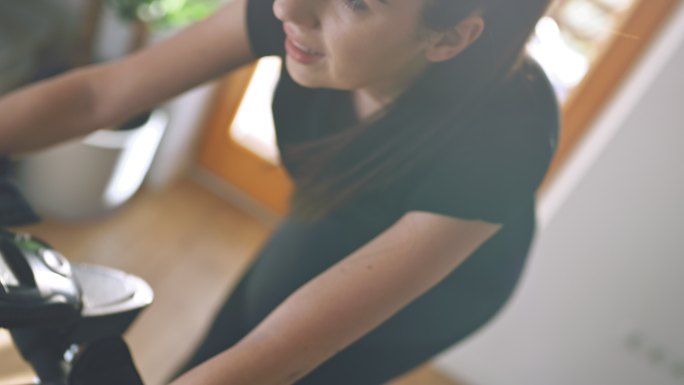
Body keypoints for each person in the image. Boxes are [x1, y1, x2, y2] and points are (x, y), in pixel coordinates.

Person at [0, 0, 560, 383]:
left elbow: (277, 354)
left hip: (442, 284)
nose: (287, 8)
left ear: (450, 37)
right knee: (225, 342)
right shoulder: (307, 17)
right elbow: (96, 99)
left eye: (356, 0)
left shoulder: (508, 133)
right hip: (334, 204)